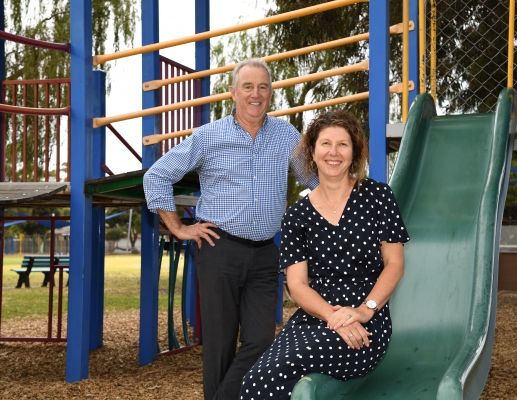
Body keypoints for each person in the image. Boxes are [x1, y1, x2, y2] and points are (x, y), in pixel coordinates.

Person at [143, 58, 316, 400]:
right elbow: (157, 176)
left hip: (266, 254)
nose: (256, 94)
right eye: (248, 87)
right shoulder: (209, 136)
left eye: (263, 87)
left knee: (261, 340)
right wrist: (179, 228)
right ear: (233, 93)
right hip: (219, 249)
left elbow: (314, 181)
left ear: (271, 93)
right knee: (219, 344)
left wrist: (353, 194)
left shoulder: (286, 136)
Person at [239, 110, 410, 399]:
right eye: (326, 144)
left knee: (273, 376)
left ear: (354, 152)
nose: (334, 152)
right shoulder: (296, 216)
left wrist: (363, 311)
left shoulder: (378, 197)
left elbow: (394, 264)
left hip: (366, 322)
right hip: (314, 317)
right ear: (312, 152)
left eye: (343, 144)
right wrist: (334, 318)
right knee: (255, 381)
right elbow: (297, 285)